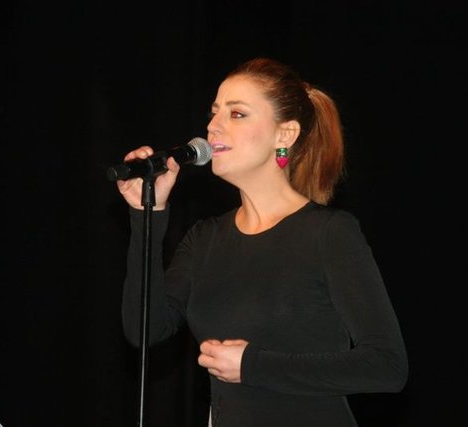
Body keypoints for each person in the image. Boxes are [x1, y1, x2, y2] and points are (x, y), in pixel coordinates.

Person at [116, 57, 408, 426]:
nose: (213, 126)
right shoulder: (205, 239)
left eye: (236, 114)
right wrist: (147, 215)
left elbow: (386, 366)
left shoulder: (328, 233)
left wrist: (253, 365)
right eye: (214, 113)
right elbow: (144, 329)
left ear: (284, 135)